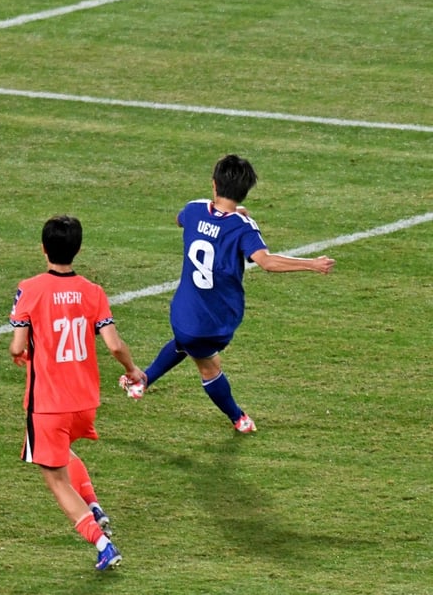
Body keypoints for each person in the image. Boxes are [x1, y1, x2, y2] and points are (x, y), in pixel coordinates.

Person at [125, 154, 335, 432]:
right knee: (210, 366)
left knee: (185, 342)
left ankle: (144, 380)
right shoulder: (242, 227)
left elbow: (181, 219)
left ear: (214, 185)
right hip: (215, 319)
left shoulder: (193, 209)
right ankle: (239, 418)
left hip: (185, 310)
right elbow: (267, 261)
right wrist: (312, 264)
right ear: (245, 191)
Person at [9, 214, 146, 571]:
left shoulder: (30, 288)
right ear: (78, 249)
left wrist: (18, 353)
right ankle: (94, 507)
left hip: (48, 403)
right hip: (84, 401)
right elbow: (114, 344)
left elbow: (17, 346)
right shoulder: (92, 291)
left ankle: (102, 544)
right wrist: (132, 370)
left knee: (54, 477)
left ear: (43, 249)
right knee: (62, 450)